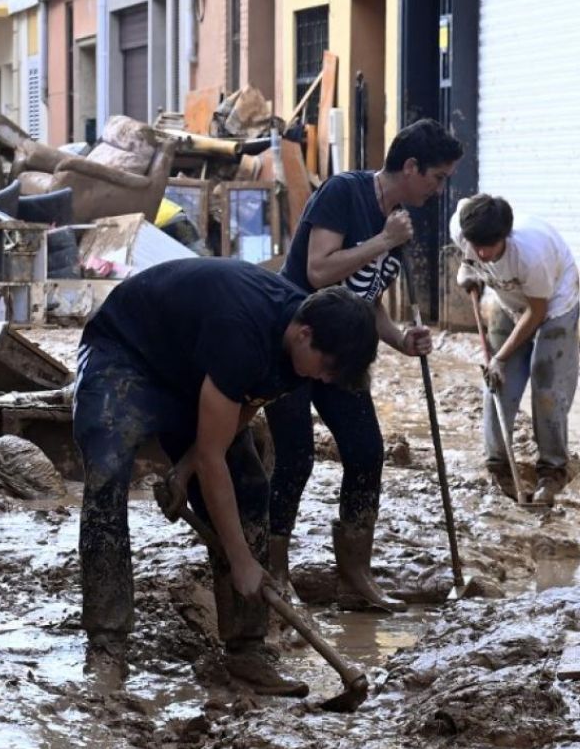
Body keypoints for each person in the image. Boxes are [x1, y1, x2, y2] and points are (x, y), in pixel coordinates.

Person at [73, 258, 379, 696]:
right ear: (304, 334)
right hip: (126, 350)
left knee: (250, 487)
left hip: (197, 370)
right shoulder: (245, 333)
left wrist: (184, 469)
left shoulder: (301, 350)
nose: (327, 378)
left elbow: (246, 405)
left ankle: (246, 652)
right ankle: (107, 646)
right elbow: (214, 455)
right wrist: (241, 561)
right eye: (327, 367)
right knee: (107, 470)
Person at [264, 119, 463, 613]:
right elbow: (319, 269)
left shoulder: (402, 220)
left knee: (367, 450)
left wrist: (399, 338)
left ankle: (355, 573)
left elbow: (366, 295)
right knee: (296, 456)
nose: (439, 190)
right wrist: (383, 240)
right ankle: (274, 570)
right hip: (299, 341)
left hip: (347, 350)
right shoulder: (344, 193)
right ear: (411, 167)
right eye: (437, 178)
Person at [452, 195, 579, 505]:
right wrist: (467, 269)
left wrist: (499, 356)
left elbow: (536, 313)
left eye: (489, 247)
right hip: (509, 302)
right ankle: (499, 467)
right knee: (497, 384)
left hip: (554, 307)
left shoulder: (530, 255)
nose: (481, 252)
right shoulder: (464, 228)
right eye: (475, 245)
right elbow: (468, 246)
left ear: (505, 237)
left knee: (546, 387)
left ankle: (552, 471)